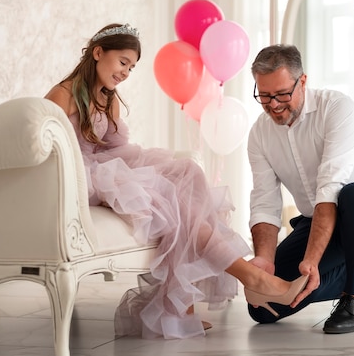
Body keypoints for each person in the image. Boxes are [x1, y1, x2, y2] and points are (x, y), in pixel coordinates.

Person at [44, 24, 306, 340]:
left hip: (108, 167)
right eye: (122, 61)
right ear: (98, 53)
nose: (126, 72)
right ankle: (252, 280)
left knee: (186, 176)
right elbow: (51, 148)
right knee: (169, 200)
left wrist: (152, 172)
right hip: (79, 176)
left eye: (131, 66)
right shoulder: (64, 94)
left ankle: (186, 304)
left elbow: (117, 150)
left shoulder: (110, 99)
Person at [246, 44, 354, 334]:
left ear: (302, 82)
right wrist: (265, 262)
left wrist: (313, 259)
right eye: (264, 96)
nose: (274, 105)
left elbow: (330, 188)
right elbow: (264, 203)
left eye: (282, 94)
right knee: (262, 306)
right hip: (316, 223)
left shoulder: (337, 108)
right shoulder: (259, 134)